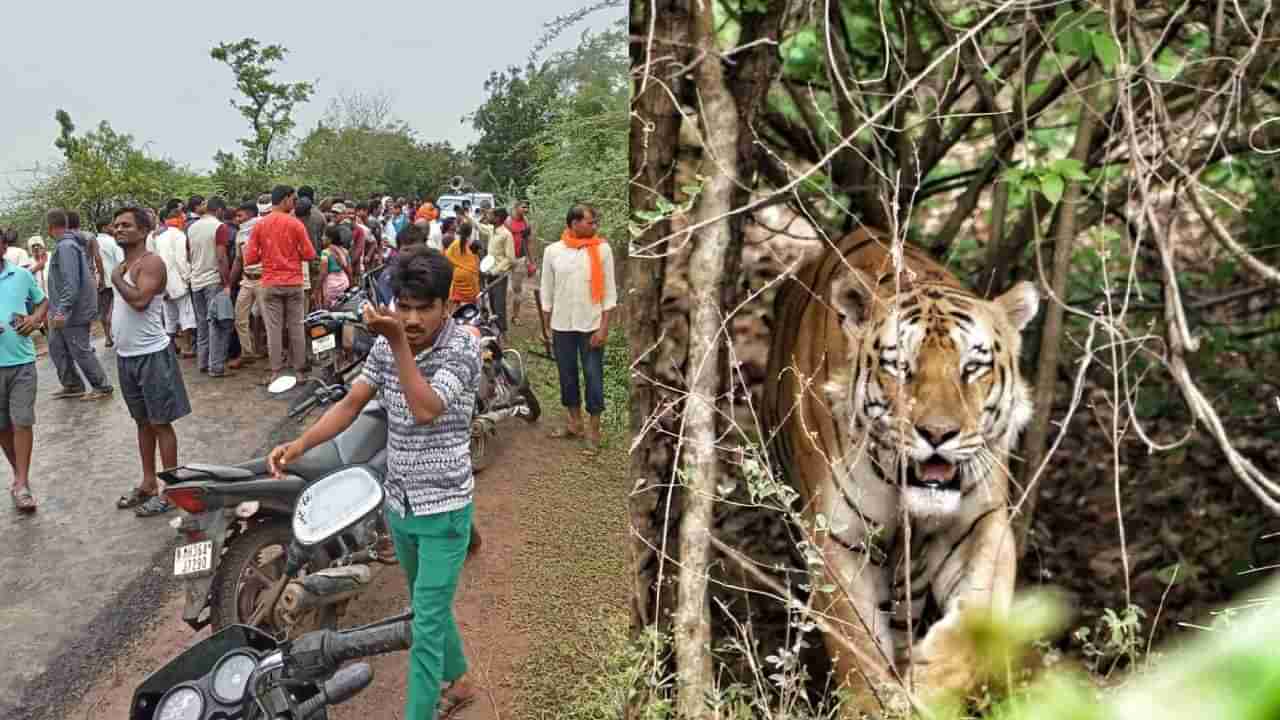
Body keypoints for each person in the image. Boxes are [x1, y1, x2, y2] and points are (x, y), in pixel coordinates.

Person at [267, 244, 480, 720]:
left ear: (446, 305)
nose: (412, 319)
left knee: (423, 625)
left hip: (444, 510)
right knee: (428, 603)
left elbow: (426, 408)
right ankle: (460, 681)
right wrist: (299, 445)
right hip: (400, 506)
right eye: (403, 307)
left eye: (425, 308)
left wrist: (398, 343)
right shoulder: (388, 344)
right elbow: (350, 403)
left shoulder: (464, 347)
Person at [109, 207, 190, 518]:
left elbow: (141, 302)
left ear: (143, 231)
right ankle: (148, 483)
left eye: (126, 225)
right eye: (116, 225)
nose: (119, 230)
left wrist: (116, 278)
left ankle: (171, 490)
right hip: (127, 357)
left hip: (152, 356)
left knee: (160, 422)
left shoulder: (151, 262)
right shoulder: (125, 264)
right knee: (142, 422)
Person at [540, 203, 617, 449]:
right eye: (590, 222)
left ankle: (594, 431)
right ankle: (575, 423)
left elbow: (609, 294)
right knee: (567, 375)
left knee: (594, 377)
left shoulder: (602, 250)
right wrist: (546, 329)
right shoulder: (552, 252)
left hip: (591, 325)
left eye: (595, 222)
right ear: (574, 224)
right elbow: (547, 293)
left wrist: (603, 327)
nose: (595, 226)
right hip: (562, 326)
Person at [242, 185, 317, 385]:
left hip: (270, 282)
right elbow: (310, 254)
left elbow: (249, 258)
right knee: (296, 327)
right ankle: (300, 373)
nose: (294, 204)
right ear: (284, 200)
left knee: (273, 329)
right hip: (294, 282)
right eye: (293, 200)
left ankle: (276, 372)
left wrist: (266, 254)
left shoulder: (260, 225)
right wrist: (293, 253)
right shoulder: (296, 224)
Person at [0, 231, 48, 512]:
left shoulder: (21, 275)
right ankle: (19, 476)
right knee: (3, 427)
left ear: (4, 246)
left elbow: (42, 300)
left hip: (22, 361)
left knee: (22, 422)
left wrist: (34, 318)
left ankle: (21, 482)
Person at [46, 208, 114, 401]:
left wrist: (62, 310)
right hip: (61, 309)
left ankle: (102, 386)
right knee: (56, 347)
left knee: (79, 348)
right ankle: (72, 384)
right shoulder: (67, 245)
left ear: (50, 228)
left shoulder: (67, 246)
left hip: (71, 310)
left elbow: (71, 282)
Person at [186, 197, 231, 375]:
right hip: (213, 280)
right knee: (218, 324)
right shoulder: (219, 227)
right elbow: (221, 257)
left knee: (202, 323)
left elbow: (189, 254)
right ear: (219, 210)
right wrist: (226, 282)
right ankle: (217, 366)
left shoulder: (191, 227)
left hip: (195, 281)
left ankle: (202, 362)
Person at [154, 200, 197, 357]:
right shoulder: (179, 236)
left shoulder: (159, 237)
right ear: (179, 219)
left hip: (163, 283)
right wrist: (187, 277)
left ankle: (170, 348)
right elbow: (181, 260)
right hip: (178, 282)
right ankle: (187, 348)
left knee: (170, 316)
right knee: (185, 315)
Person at [95, 222, 124, 348]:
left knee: (103, 309)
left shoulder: (93, 242)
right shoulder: (112, 242)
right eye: (112, 226)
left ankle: (107, 337)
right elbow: (120, 260)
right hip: (113, 280)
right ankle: (116, 335)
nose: (115, 228)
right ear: (104, 227)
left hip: (99, 281)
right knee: (114, 307)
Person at [507, 201, 536, 324]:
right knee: (499, 289)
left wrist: (531, 261)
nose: (526, 209)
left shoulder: (526, 223)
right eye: (523, 207)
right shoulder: (506, 222)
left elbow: (528, 242)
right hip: (505, 259)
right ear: (516, 207)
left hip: (520, 259)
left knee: (517, 290)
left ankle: (515, 316)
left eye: (527, 207)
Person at [487, 208, 514, 333]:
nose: (488, 217)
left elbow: (510, 258)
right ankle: (496, 331)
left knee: (499, 305)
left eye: (490, 215)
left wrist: (496, 270)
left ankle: (503, 334)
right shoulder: (492, 231)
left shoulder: (506, 234)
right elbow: (480, 227)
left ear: (497, 218)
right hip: (490, 274)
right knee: (492, 303)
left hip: (499, 275)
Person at [445, 223, 480, 305]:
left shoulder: (455, 243)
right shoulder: (472, 244)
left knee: (456, 301)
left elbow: (447, 255)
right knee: (470, 301)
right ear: (470, 232)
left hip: (457, 273)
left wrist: (457, 264)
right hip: (469, 275)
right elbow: (475, 260)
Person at [320, 225, 352, 307]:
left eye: (324, 236)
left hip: (331, 285)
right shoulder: (344, 251)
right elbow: (349, 271)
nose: (322, 238)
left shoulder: (325, 253)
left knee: (328, 311)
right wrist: (351, 284)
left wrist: (316, 288)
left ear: (330, 239)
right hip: (344, 283)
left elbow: (323, 273)